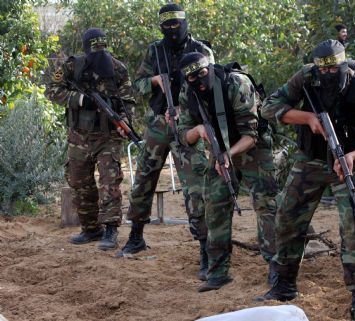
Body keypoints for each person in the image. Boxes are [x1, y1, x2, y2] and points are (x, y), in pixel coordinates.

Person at [255, 39, 355, 321]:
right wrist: (307, 118)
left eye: (333, 70)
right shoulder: (306, 77)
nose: (327, 75)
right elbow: (268, 106)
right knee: (287, 216)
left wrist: (353, 156)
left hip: (347, 162)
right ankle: (284, 284)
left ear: (344, 65)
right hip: (310, 159)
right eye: (322, 70)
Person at [121, 3, 214, 281]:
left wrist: (184, 111)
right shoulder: (155, 51)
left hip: (187, 126)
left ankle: (205, 250)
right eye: (167, 25)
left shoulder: (201, 50)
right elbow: (135, 85)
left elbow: (211, 85)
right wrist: (154, 81)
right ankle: (136, 235)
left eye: (177, 23)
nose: (172, 30)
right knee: (143, 180)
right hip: (157, 125)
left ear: (185, 22)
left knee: (195, 187)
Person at [177, 52, 278, 292]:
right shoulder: (187, 93)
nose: (200, 80)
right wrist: (198, 130)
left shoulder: (236, 83)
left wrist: (228, 156)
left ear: (209, 68)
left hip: (253, 148)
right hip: (219, 149)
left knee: (266, 205)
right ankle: (218, 270)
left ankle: (277, 267)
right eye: (193, 77)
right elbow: (182, 135)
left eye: (203, 73)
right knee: (215, 205)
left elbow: (251, 135)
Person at [45, 28, 136, 251]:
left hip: (108, 136)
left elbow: (128, 101)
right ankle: (90, 229)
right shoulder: (71, 66)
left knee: (109, 182)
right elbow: (51, 90)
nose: (99, 54)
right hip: (79, 136)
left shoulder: (118, 69)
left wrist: (124, 123)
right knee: (78, 181)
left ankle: (111, 230)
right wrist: (79, 99)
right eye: (94, 49)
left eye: (102, 49)